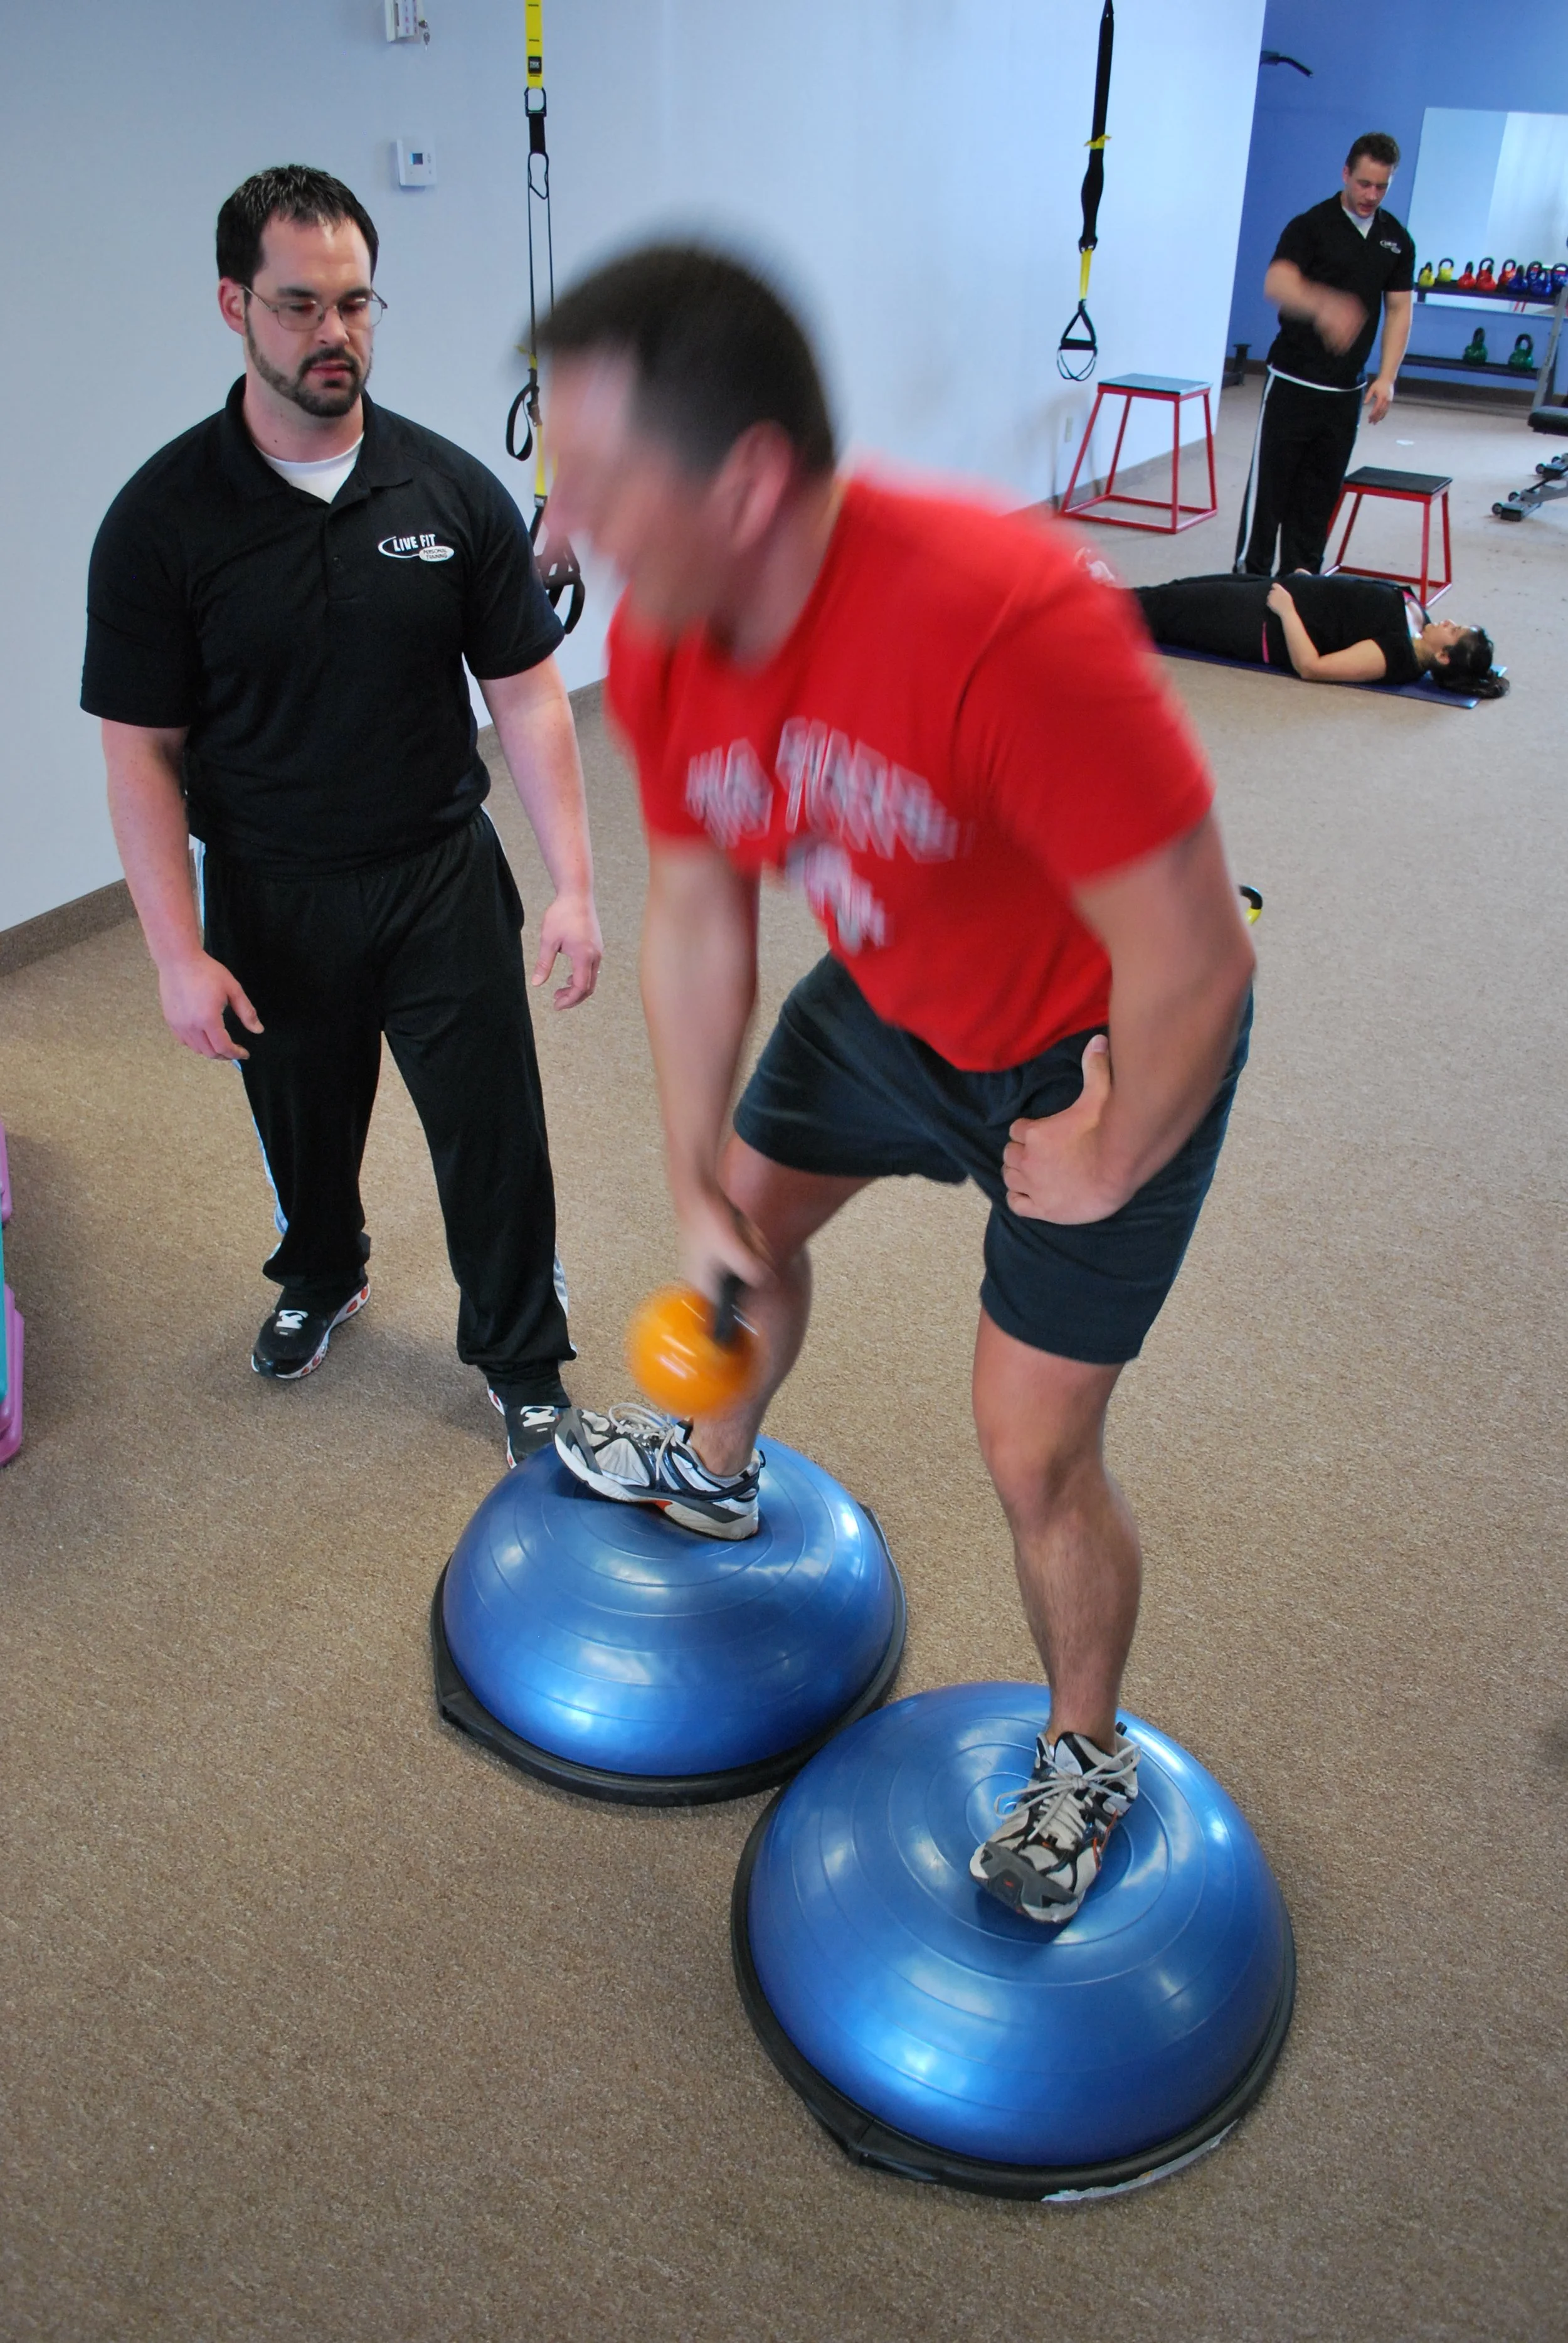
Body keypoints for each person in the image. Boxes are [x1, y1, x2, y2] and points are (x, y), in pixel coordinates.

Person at [536, 244, 1257, 1926]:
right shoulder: (664, 640)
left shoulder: (1002, 618)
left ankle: (1086, 1748)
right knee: (744, 1239)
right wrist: (694, 1160)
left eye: (601, 484)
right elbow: (703, 912)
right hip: (887, 994)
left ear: (749, 479)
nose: (565, 528)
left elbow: (1198, 958)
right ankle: (713, 1463)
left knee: (1031, 1451)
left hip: (1095, 1045)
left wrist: (1111, 1142)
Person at [82, 166, 602, 1467]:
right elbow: (141, 752)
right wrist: (172, 951)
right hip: (269, 886)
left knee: (493, 1130)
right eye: (300, 304)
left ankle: (523, 1354)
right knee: (302, 1126)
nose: (335, 335)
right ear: (234, 306)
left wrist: (576, 883)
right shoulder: (162, 521)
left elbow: (529, 696)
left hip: (436, 868)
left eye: (357, 303)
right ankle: (320, 1271)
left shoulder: (447, 491)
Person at [1236, 133, 1416, 577]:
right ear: (1345, 174)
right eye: (1363, 184)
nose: (1370, 195)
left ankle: (1301, 588)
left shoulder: (1396, 240)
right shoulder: (1310, 226)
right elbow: (1276, 283)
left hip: (1345, 391)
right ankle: (1247, 585)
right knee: (1270, 495)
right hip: (1294, 382)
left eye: (1381, 187)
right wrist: (1324, 305)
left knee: (1318, 499)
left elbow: (1398, 309)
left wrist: (1387, 375)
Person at [1136, 572, 1508, 695]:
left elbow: (1312, 667)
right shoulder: (1418, 618)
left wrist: (1287, 610)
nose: (1448, 622)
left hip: (1260, 624)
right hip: (1276, 589)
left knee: (1159, 612)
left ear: (1444, 656)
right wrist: (1313, 584)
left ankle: (1083, 607)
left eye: (1454, 631)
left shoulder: (1396, 656)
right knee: (1169, 593)